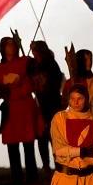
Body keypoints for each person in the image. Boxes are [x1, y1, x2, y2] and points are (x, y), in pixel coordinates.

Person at [0, 37, 42, 184]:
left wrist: (35, 53)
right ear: (2, 48)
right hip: (11, 109)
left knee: (28, 143)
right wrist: (9, 87)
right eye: (7, 45)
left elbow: (37, 76)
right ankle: (17, 178)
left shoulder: (27, 62)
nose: (11, 47)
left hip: (26, 107)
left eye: (13, 44)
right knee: (12, 145)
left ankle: (32, 176)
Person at [30, 41, 64, 172]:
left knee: (54, 135)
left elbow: (56, 82)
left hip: (52, 103)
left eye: (36, 50)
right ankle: (46, 165)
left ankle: (58, 163)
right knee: (42, 135)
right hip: (40, 104)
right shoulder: (33, 65)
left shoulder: (51, 64)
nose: (34, 53)